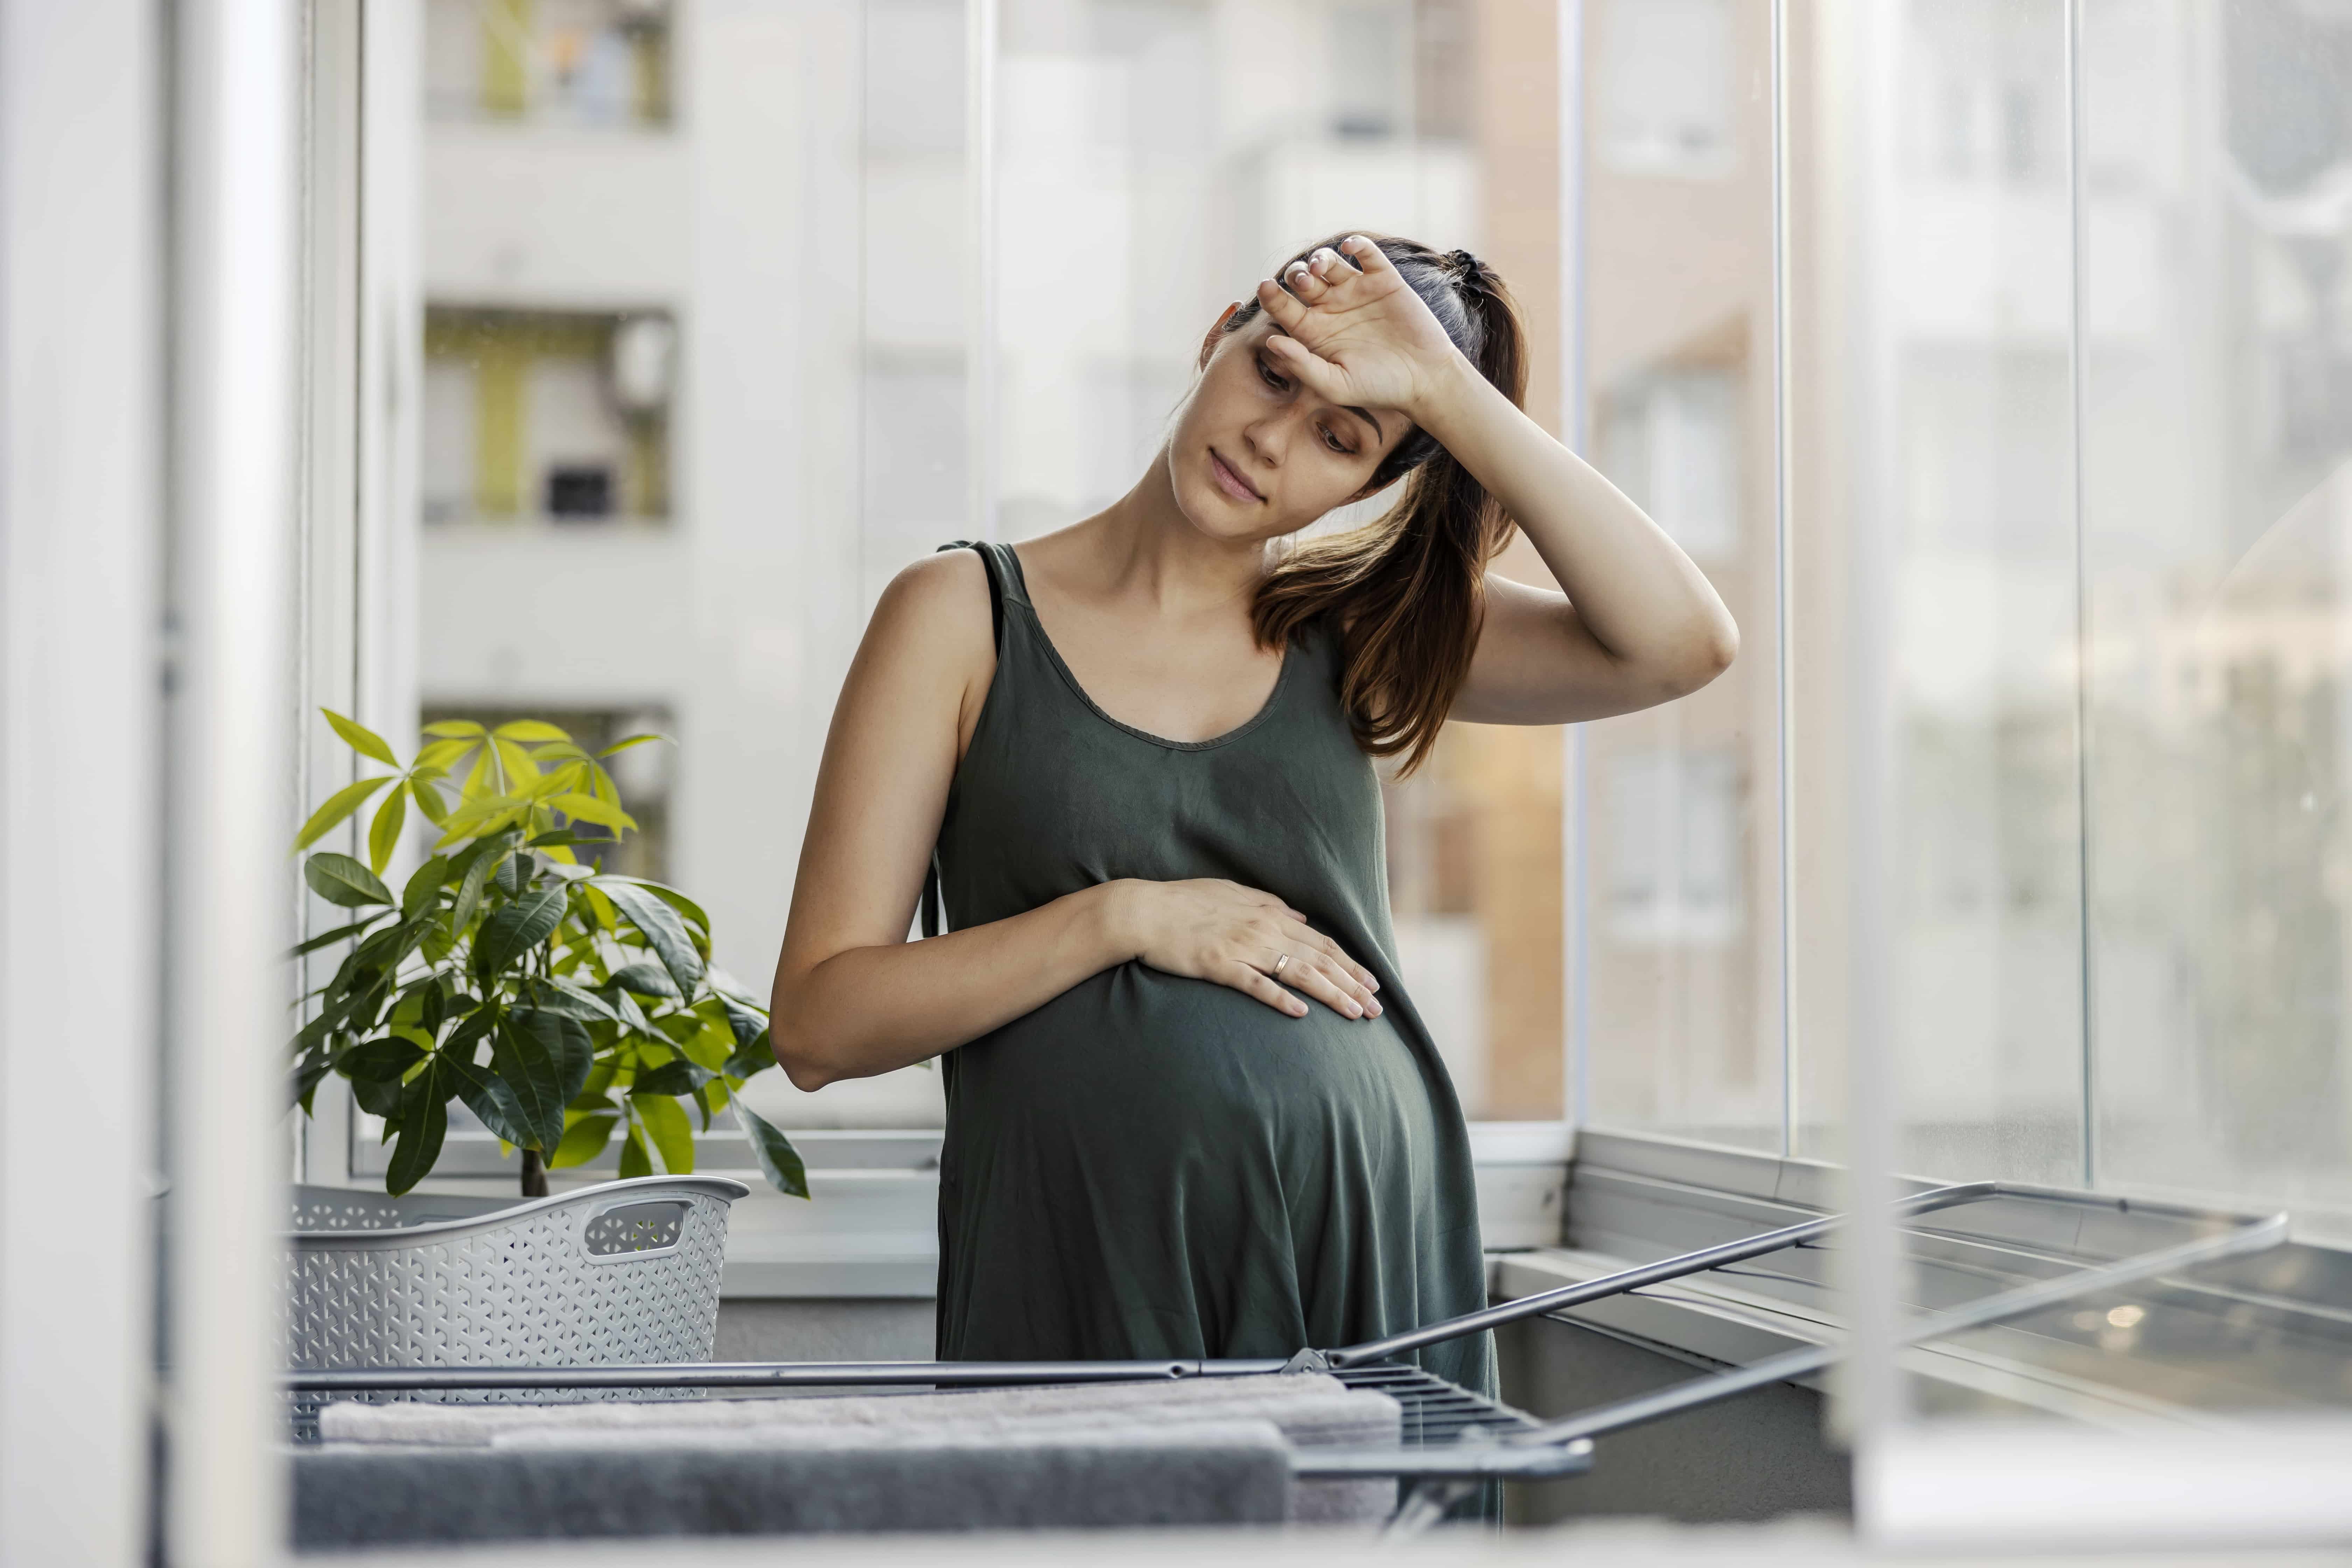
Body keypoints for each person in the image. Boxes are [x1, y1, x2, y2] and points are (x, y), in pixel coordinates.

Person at [769, 233, 1736, 1397]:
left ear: (1374, 485)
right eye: (1275, 374)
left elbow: (1684, 645)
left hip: (1369, 1248)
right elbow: (819, 1026)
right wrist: (1124, 919)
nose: (1271, 444)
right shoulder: (962, 616)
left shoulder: (1360, 631)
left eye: (1343, 437)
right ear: (1221, 329)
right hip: (1084, 1261)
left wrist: (1441, 391)